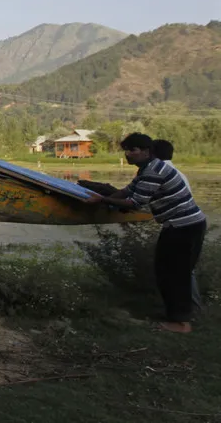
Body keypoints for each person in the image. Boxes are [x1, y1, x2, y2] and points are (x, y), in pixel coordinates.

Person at [83, 132, 208, 333]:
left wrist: (102, 201)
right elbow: (126, 191)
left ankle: (181, 323)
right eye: (126, 150)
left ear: (146, 151)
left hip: (183, 226)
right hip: (182, 225)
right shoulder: (147, 169)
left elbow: (134, 202)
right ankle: (179, 316)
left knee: (174, 273)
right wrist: (102, 199)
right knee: (169, 270)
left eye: (132, 150)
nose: (128, 155)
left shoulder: (153, 171)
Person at [151, 139, 201, 312]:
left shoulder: (160, 172)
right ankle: (191, 308)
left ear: (152, 154)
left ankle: (187, 311)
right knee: (185, 269)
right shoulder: (175, 172)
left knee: (178, 270)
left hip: (180, 225)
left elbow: (140, 200)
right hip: (190, 222)